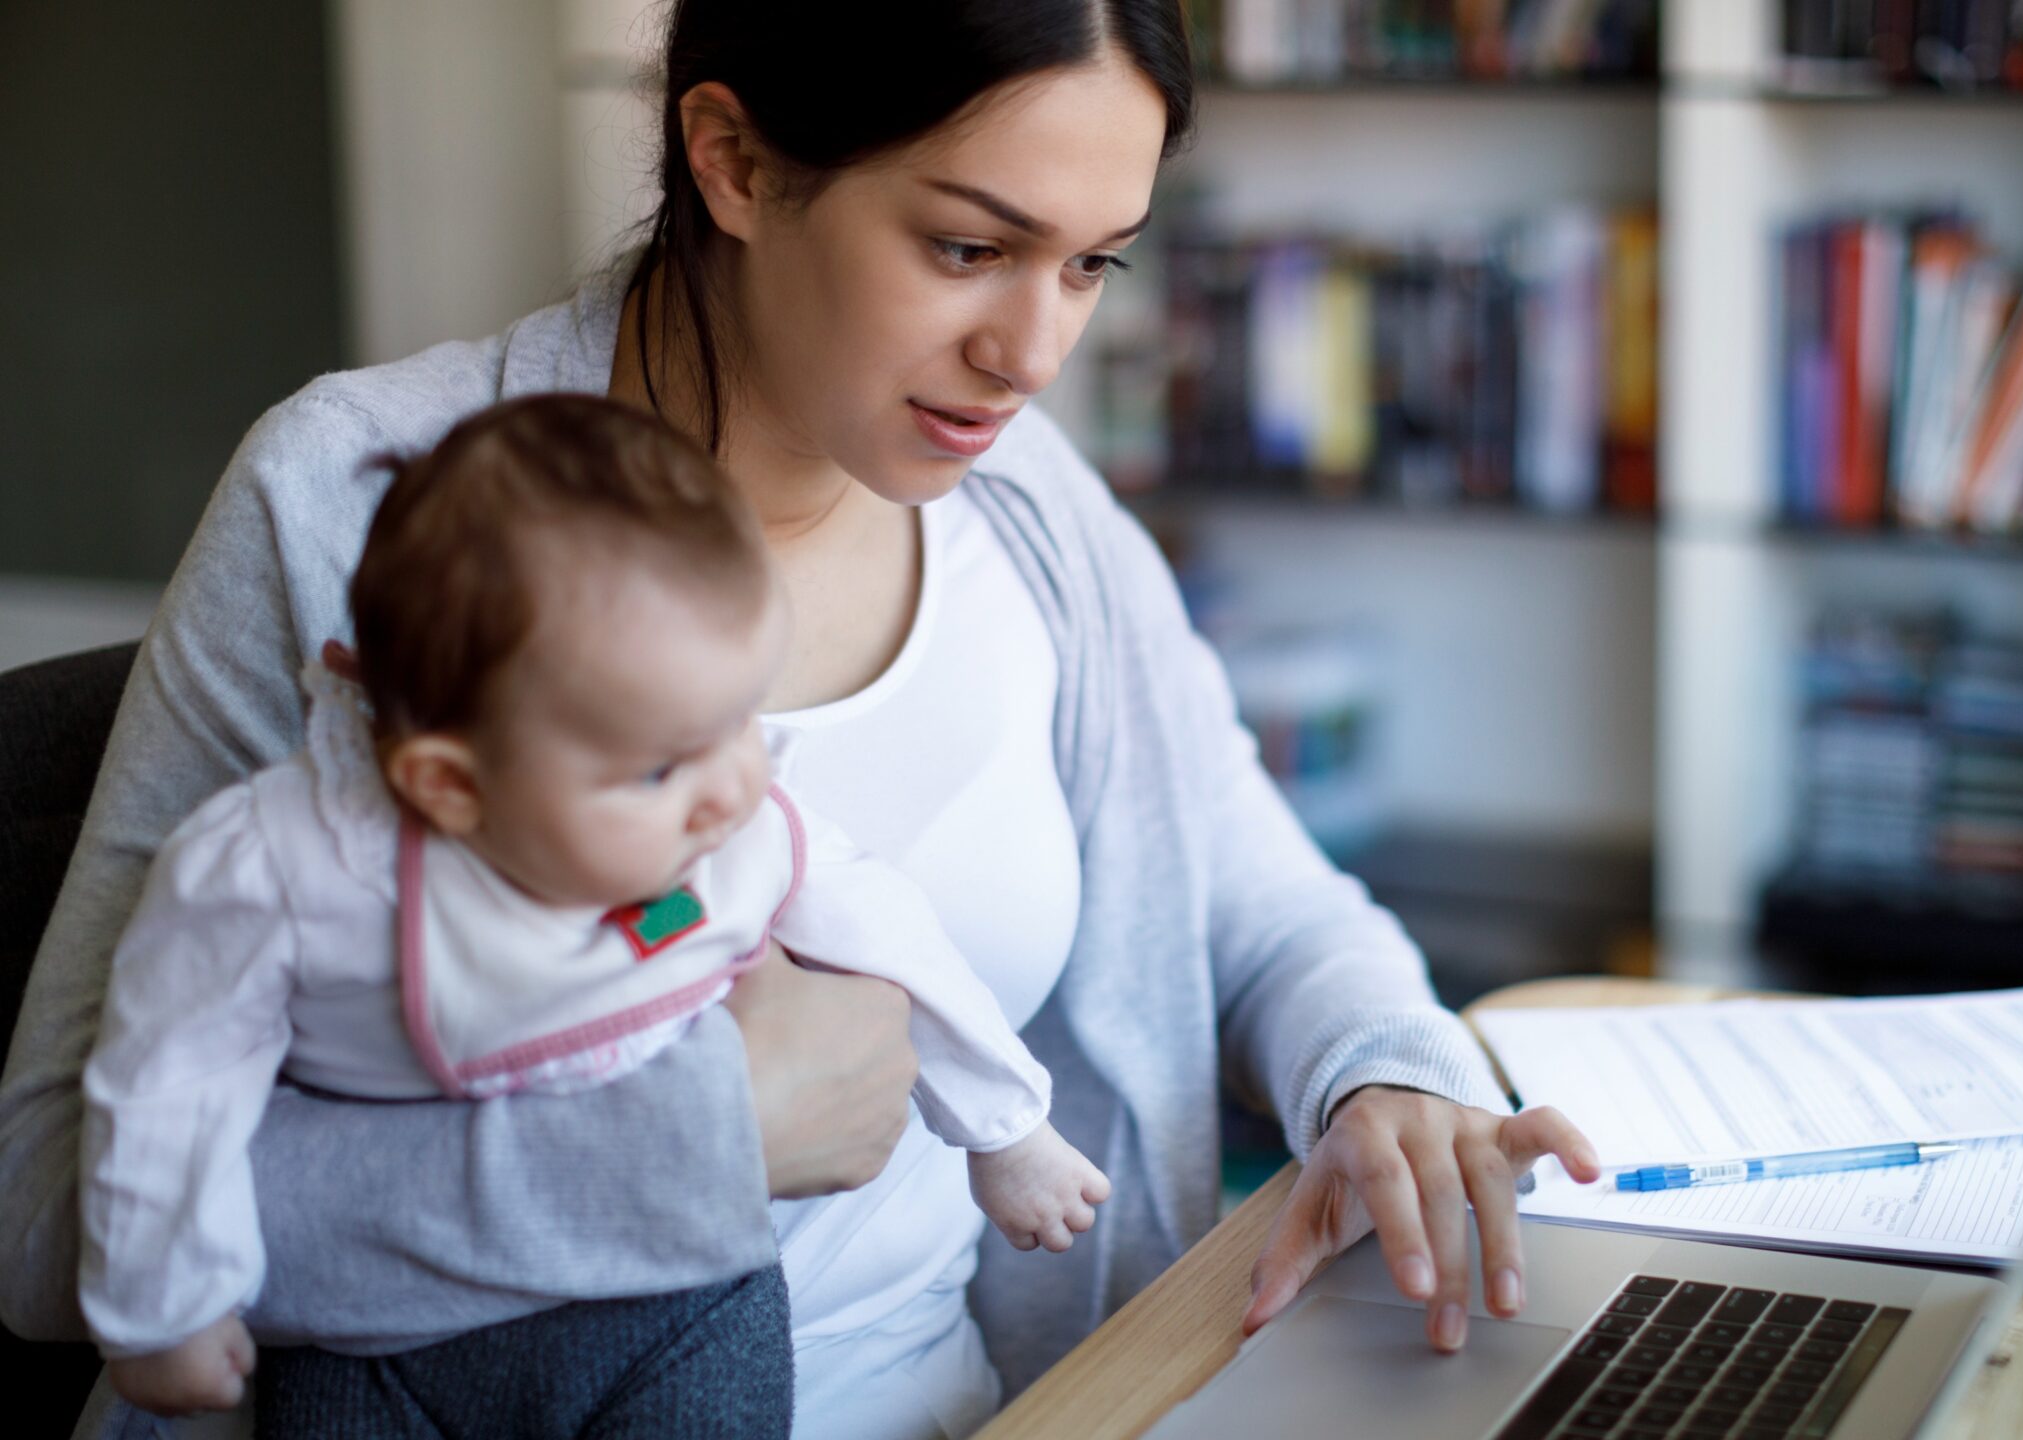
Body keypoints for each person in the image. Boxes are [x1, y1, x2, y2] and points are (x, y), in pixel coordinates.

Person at [0, 4, 1601, 1435]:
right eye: (970, 248)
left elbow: (1260, 898)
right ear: (736, 161)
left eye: (1093, 262)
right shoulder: (349, 500)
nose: (1033, 353)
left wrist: (1386, 1077)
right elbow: (42, 1204)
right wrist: (704, 1139)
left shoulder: (1027, 503)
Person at [80, 395, 1108, 1433]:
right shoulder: (283, 867)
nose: (730, 792)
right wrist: (162, 1302)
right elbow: (170, 1078)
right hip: (382, 1343)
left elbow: (890, 936)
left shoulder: (730, 823)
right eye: (660, 766)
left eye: (738, 721)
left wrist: (1005, 1127)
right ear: (448, 785)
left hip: (684, 1301)